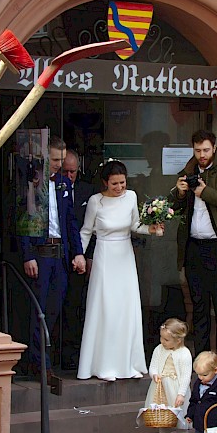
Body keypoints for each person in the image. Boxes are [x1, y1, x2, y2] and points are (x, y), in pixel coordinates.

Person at [77, 160, 164, 380]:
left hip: (125, 256)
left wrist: (151, 229)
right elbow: (86, 231)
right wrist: (79, 254)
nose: (119, 187)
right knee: (106, 309)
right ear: (105, 182)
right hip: (104, 256)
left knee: (126, 309)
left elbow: (135, 224)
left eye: (122, 182)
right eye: (114, 183)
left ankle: (128, 364)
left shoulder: (132, 197)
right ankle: (103, 365)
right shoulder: (96, 202)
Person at [172, 130, 217, 372]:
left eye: (205, 150)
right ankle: (201, 356)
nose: (201, 155)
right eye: (197, 151)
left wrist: (205, 192)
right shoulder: (188, 171)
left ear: (214, 148)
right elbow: (175, 208)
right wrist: (181, 192)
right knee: (198, 305)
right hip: (194, 246)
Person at [18, 136, 86, 380]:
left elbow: (70, 222)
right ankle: (40, 364)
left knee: (55, 309)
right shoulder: (31, 183)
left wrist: (78, 252)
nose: (58, 164)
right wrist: (28, 255)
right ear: (44, 157)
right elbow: (24, 219)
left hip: (60, 254)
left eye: (61, 159)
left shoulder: (64, 185)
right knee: (40, 311)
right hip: (40, 254)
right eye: (55, 159)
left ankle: (48, 359)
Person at [142, 318, 193, 433]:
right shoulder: (159, 349)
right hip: (161, 389)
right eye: (162, 338)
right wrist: (154, 375)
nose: (163, 342)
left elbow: (185, 376)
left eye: (167, 339)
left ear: (178, 340)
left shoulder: (184, 353)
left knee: (181, 421)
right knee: (163, 420)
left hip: (176, 389)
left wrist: (181, 394)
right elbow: (153, 366)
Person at [61, 149, 95, 369]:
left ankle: (76, 354)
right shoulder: (52, 188)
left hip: (84, 259)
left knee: (80, 305)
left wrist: (87, 256)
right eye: (66, 171)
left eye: (73, 171)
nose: (70, 175)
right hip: (60, 255)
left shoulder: (87, 192)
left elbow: (93, 228)